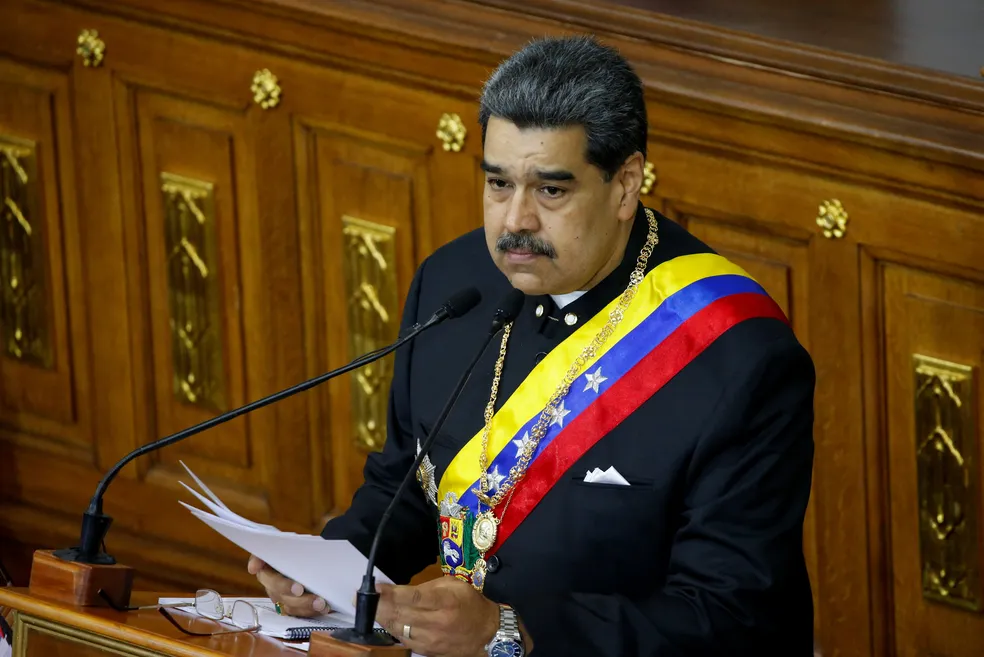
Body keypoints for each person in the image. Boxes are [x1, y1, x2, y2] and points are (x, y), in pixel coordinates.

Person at [249, 34, 816, 656]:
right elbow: (405, 488)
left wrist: (511, 633)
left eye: (551, 190)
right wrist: (327, 569)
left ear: (625, 185)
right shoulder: (452, 283)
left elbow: (728, 618)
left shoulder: (737, 357)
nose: (515, 221)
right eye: (498, 184)